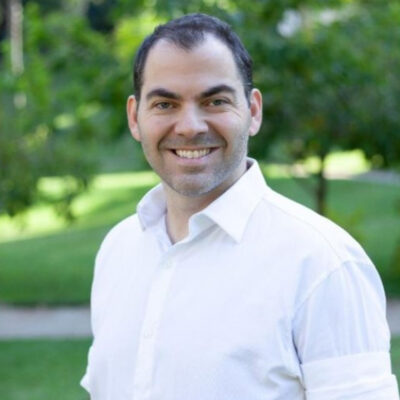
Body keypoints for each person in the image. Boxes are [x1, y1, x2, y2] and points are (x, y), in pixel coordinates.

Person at [81, 13, 399, 399]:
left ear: (253, 111)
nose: (189, 126)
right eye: (165, 104)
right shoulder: (119, 250)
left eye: (215, 101)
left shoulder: (322, 264)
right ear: (135, 117)